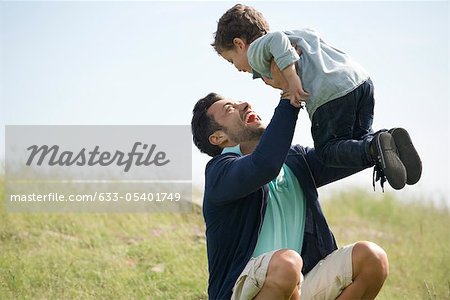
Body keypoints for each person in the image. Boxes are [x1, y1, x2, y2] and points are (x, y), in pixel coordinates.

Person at [191, 64, 389, 299]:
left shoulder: (296, 159)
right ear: (219, 138)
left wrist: (376, 146)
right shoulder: (219, 173)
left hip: (298, 285)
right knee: (287, 264)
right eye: (230, 109)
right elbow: (264, 165)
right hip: (243, 291)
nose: (245, 104)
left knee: (372, 258)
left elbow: (341, 154)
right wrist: (290, 98)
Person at [211, 3, 422, 190]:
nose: (237, 68)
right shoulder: (296, 34)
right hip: (359, 80)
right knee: (357, 140)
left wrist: (292, 80)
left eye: (231, 60)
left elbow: (275, 39)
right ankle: (389, 141)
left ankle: (375, 148)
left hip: (330, 95)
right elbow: (312, 33)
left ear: (239, 44)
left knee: (328, 152)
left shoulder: (257, 50)